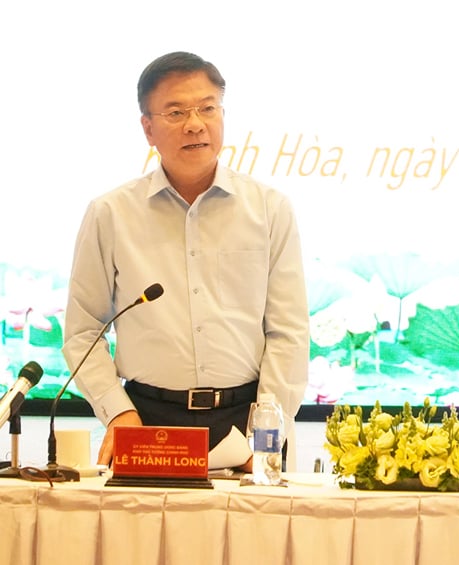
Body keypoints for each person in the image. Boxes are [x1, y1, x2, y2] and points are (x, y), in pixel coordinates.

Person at [61, 51, 309, 470]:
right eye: (176, 112)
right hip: (148, 423)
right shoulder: (111, 213)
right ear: (148, 128)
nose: (195, 124)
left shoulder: (270, 209)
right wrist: (118, 414)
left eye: (207, 108)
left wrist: (266, 434)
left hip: (247, 421)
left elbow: (289, 332)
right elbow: (82, 331)